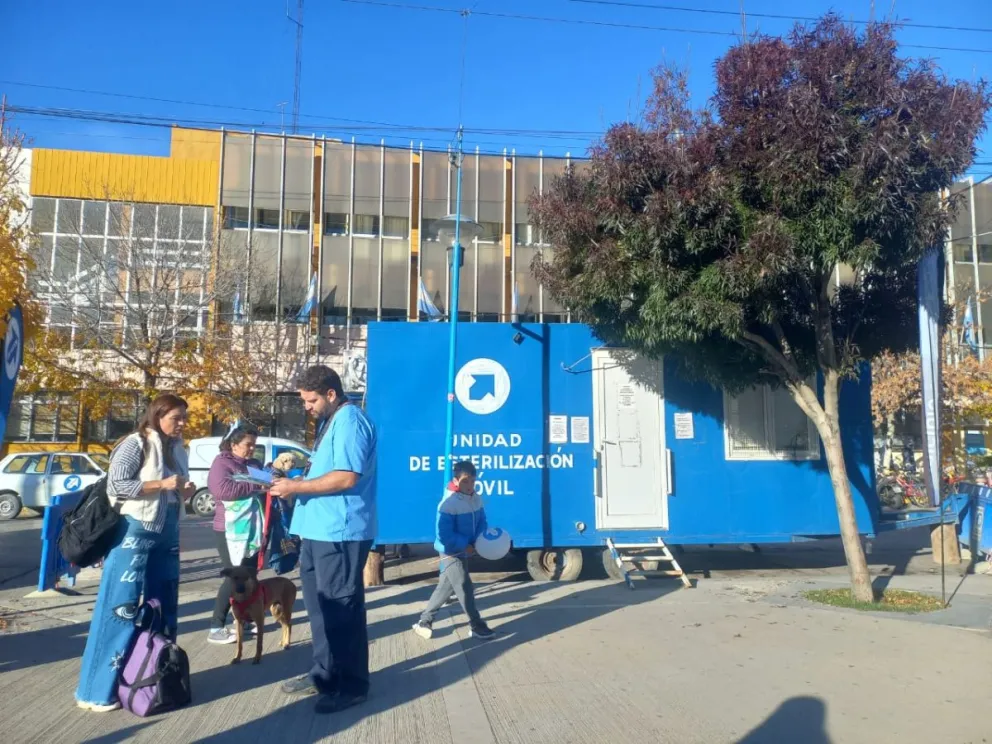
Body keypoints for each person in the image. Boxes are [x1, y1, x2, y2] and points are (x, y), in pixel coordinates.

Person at [75, 393, 196, 712]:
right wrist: (163, 484)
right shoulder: (135, 443)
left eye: (185, 417)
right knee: (121, 607)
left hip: (167, 532)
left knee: (165, 606)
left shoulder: (178, 448)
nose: (182, 423)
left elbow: (175, 488)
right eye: (176, 417)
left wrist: (185, 489)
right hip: (134, 530)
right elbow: (116, 485)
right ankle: (96, 691)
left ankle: (155, 677)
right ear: (157, 415)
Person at [269, 365, 377, 715]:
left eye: (311, 400)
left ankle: (351, 685)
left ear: (331, 394)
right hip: (318, 530)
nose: (307, 407)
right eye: (303, 400)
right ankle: (325, 675)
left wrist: (295, 486)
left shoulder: (350, 422)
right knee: (320, 611)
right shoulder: (331, 422)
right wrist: (291, 485)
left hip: (340, 533)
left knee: (341, 610)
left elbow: (347, 477)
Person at [412, 460, 494, 641]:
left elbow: (481, 521)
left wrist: (479, 541)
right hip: (450, 551)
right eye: (465, 481)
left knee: (445, 587)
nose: (470, 485)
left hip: (463, 549)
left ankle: (424, 621)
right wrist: (464, 545)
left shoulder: (476, 497)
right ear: (456, 481)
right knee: (464, 586)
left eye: (473, 481)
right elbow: (444, 535)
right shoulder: (447, 503)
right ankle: (476, 625)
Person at [206, 423, 264, 644]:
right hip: (228, 531)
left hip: (252, 529)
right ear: (233, 444)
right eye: (248, 445)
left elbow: (267, 479)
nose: (251, 449)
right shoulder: (222, 463)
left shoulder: (253, 464)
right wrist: (256, 486)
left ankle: (244, 620)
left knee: (250, 576)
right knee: (234, 578)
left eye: (254, 445)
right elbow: (223, 490)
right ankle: (216, 627)